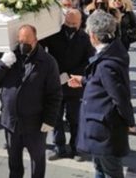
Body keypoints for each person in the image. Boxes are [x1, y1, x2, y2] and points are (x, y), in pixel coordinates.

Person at [0, 25, 62, 178]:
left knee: (37, 163)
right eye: (20, 41)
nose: (23, 45)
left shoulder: (48, 62)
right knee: (14, 164)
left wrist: (49, 120)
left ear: (35, 40)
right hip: (11, 122)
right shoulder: (10, 56)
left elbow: (54, 94)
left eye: (27, 41)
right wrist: (3, 63)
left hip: (35, 125)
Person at [68, 11, 135, 178]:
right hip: (101, 127)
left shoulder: (106, 65)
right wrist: (84, 80)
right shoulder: (113, 51)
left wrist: (129, 121)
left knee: (109, 171)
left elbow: (119, 96)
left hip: (104, 128)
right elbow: (103, 83)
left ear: (93, 36)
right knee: (99, 168)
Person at [40, 10, 95, 161]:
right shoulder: (55, 34)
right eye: (68, 23)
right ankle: (59, 147)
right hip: (56, 82)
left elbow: (89, 61)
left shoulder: (85, 38)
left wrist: (70, 75)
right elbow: (41, 47)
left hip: (74, 84)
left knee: (75, 119)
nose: (70, 26)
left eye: (74, 23)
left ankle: (76, 148)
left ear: (80, 23)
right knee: (56, 117)